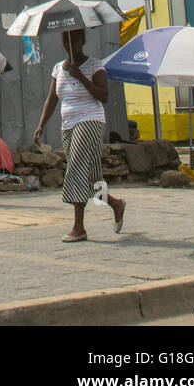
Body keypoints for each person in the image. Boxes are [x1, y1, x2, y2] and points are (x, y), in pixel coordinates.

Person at [34, 27, 126, 242]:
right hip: (68, 125)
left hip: (90, 121)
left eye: (74, 39)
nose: (70, 43)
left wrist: (82, 77)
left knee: (75, 167)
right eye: (66, 39)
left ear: (82, 41)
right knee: (92, 178)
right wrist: (41, 124)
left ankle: (79, 228)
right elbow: (52, 99)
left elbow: (103, 95)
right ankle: (116, 204)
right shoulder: (58, 68)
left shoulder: (94, 65)